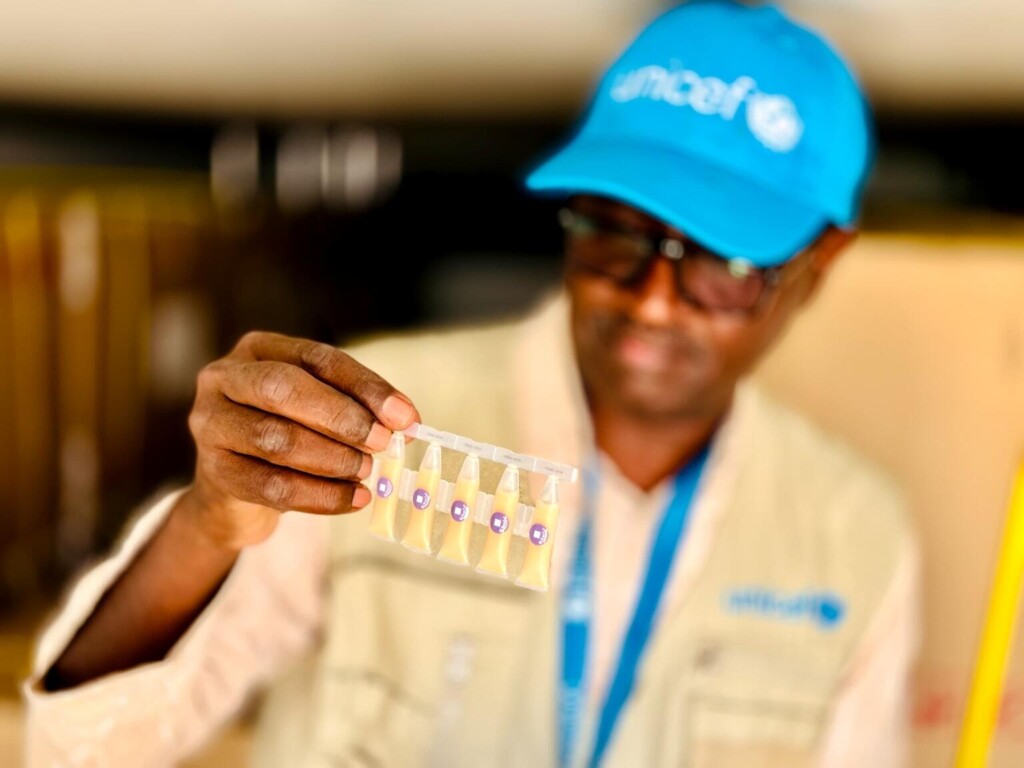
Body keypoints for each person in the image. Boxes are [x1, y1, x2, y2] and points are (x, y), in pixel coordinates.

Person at [24, 1, 919, 766]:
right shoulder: (366, 425)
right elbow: (83, 745)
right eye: (615, 233)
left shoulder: (852, 537)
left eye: (720, 265)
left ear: (817, 264)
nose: (651, 300)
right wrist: (208, 520)